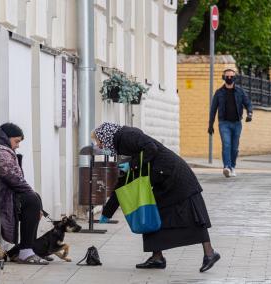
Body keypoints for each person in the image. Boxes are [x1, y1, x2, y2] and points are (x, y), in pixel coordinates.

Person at [93, 122, 220, 273]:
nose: (99, 146)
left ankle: (210, 253)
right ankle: (157, 258)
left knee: (192, 214)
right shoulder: (121, 146)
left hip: (175, 175)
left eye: (98, 141)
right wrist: (107, 212)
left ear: (105, 136)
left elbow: (151, 148)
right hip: (162, 178)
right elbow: (123, 181)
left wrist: (132, 165)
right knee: (152, 213)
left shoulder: (127, 136)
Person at [0, 123, 48, 265]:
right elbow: (13, 178)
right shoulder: (2, 152)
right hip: (4, 195)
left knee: (34, 198)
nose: (18, 145)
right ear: (7, 138)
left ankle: (23, 249)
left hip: (8, 193)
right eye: (17, 141)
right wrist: (31, 194)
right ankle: (25, 251)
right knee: (32, 199)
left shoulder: (4, 150)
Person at [208, 69, 253, 178]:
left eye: (231, 76)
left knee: (235, 147)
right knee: (226, 144)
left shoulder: (240, 91)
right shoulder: (219, 93)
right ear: (224, 77)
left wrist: (249, 114)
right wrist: (210, 125)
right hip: (224, 123)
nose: (229, 78)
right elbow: (213, 109)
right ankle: (226, 167)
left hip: (237, 123)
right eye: (227, 76)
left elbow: (248, 103)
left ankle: (232, 166)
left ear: (235, 78)